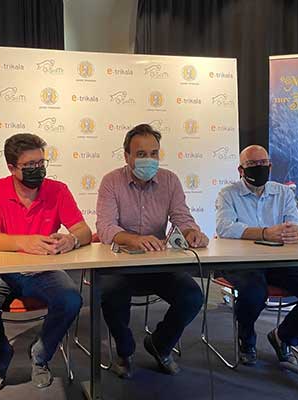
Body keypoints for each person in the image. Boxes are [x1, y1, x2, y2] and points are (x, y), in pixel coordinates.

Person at [0, 133, 91, 392]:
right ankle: (1, 358)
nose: (38, 169)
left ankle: (40, 355)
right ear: (12, 168)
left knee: (71, 300)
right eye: (30, 165)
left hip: (42, 269)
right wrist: (25, 242)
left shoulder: (57, 190)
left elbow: (84, 231)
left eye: (41, 163)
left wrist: (72, 240)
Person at [96, 123, 208, 378]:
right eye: (141, 154)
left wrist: (191, 232)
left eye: (154, 153)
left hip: (158, 264)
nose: (149, 159)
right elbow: (105, 227)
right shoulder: (111, 181)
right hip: (120, 265)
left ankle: (160, 344)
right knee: (111, 294)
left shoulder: (170, 180)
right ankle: (124, 351)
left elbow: (182, 217)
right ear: (127, 156)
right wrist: (134, 240)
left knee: (192, 296)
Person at [215, 145, 298, 365]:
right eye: (252, 164)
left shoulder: (283, 192)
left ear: (270, 166)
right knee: (254, 293)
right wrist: (264, 233)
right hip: (241, 262)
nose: (259, 167)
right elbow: (224, 228)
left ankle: (283, 337)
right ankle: (246, 339)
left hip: (279, 261)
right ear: (241, 170)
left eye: (263, 163)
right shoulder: (228, 194)